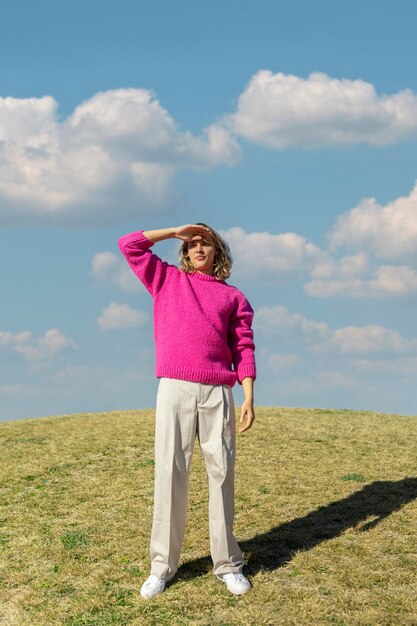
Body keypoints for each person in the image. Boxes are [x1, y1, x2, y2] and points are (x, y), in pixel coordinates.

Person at [118, 223, 256, 598]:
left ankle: (228, 565)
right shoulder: (165, 279)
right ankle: (161, 568)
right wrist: (175, 231)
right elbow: (128, 245)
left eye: (205, 242)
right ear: (184, 250)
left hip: (217, 391)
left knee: (222, 474)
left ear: (217, 252)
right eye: (192, 243)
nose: (198, 248)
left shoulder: (234, 298)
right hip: (174, 387)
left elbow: (243, 348)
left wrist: (248, 396)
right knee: (170, 473)